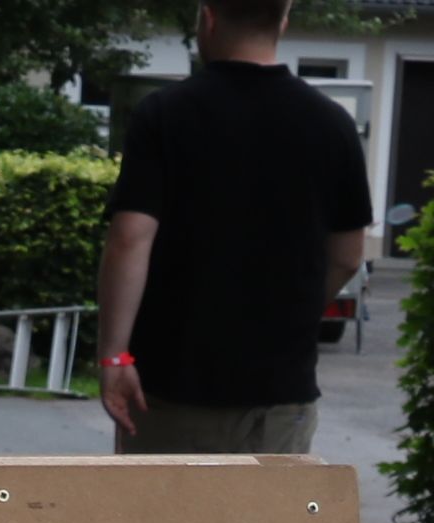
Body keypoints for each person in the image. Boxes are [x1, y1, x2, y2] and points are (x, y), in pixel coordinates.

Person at [92, 0, 371, 455]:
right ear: (283, 19)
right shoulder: (333, 124)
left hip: (169, 390)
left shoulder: (162, 115)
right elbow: (347, 256)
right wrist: (286, 314)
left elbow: (129, 240)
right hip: (280, 396)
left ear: (209, 16)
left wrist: (115, 356)